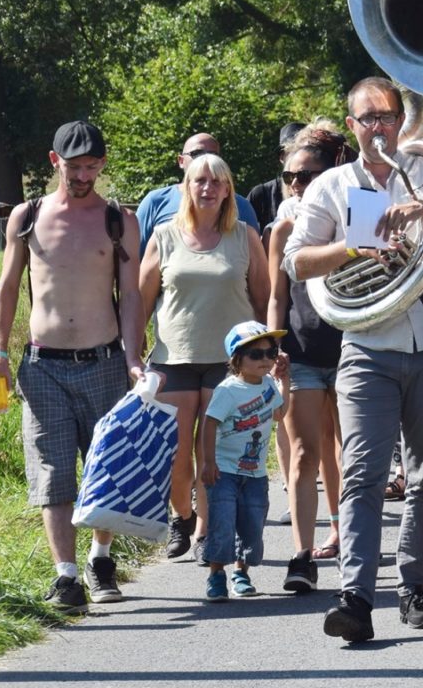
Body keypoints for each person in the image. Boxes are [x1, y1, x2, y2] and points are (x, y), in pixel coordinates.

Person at [284, 77, 423, 642]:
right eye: (367, 118)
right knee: (362, 474)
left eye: (386, 116)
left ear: (401, 120)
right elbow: (296, 262)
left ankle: (414, 587)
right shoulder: (330, 185)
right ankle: (355, 596)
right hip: (367, 348)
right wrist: (352, 248)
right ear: (351, 126)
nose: (378, 127)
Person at [0, 121, 144, 610]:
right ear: (55, 162)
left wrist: (134, 357)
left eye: (93, 167)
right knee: (52, 471)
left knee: (106, 465)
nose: (84, 176)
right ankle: (66, 577)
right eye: (74, 168)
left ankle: (101, 559)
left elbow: (131, 294)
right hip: (42, 365)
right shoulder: (26, 217)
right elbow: (7, 287)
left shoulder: (119, 220)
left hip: (103, 361)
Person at [140, 153, 269, 564]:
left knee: (212, 455)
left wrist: (269, 354)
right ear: (187, 187)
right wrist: (129, 354)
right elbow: (140, 304)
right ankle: (183, 513)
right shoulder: (164, 235)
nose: (208, 188)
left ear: (228, 189)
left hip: (229, 361)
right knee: (177, 456)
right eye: (200, 181)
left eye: (217, 181)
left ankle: (205, 532)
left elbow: (264, 300)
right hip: (173, 358)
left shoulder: (245, 236)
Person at [266, 121, 349, 594]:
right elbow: (278, 295)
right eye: (292, 176)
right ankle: (301, 555)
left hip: (352, 348)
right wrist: (273, 343)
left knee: (347, 452)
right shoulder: (282, 229)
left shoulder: (347, 219)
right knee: (303, 453)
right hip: (300, 350)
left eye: (308, 175)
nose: (298, 184)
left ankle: (344, 532)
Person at [199, 321, 288, 601]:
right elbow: (209, 424)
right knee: (223, 523)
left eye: (270, 353)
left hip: (256, 473)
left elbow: (279, 414)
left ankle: (241, 572)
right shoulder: (228, 390)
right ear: (237, 359)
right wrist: (208, 462)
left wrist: (285, 381)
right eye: (256, 354)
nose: (265, 360)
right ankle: (216, 575)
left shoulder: (269, 385)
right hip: (224, 471)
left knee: (252, 524)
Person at [135, 132, 261, 256]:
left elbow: (255, 264)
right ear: (181, 160)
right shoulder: (156, 201)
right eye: (197, 153)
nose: (204, 159)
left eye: (212, 154)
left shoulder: (241, 206)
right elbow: (136, 256)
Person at [249, 122, 307, 233]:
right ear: (281, 157)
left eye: (302, 150)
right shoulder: (261, 194)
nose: (297, 156)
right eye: (291, 151)